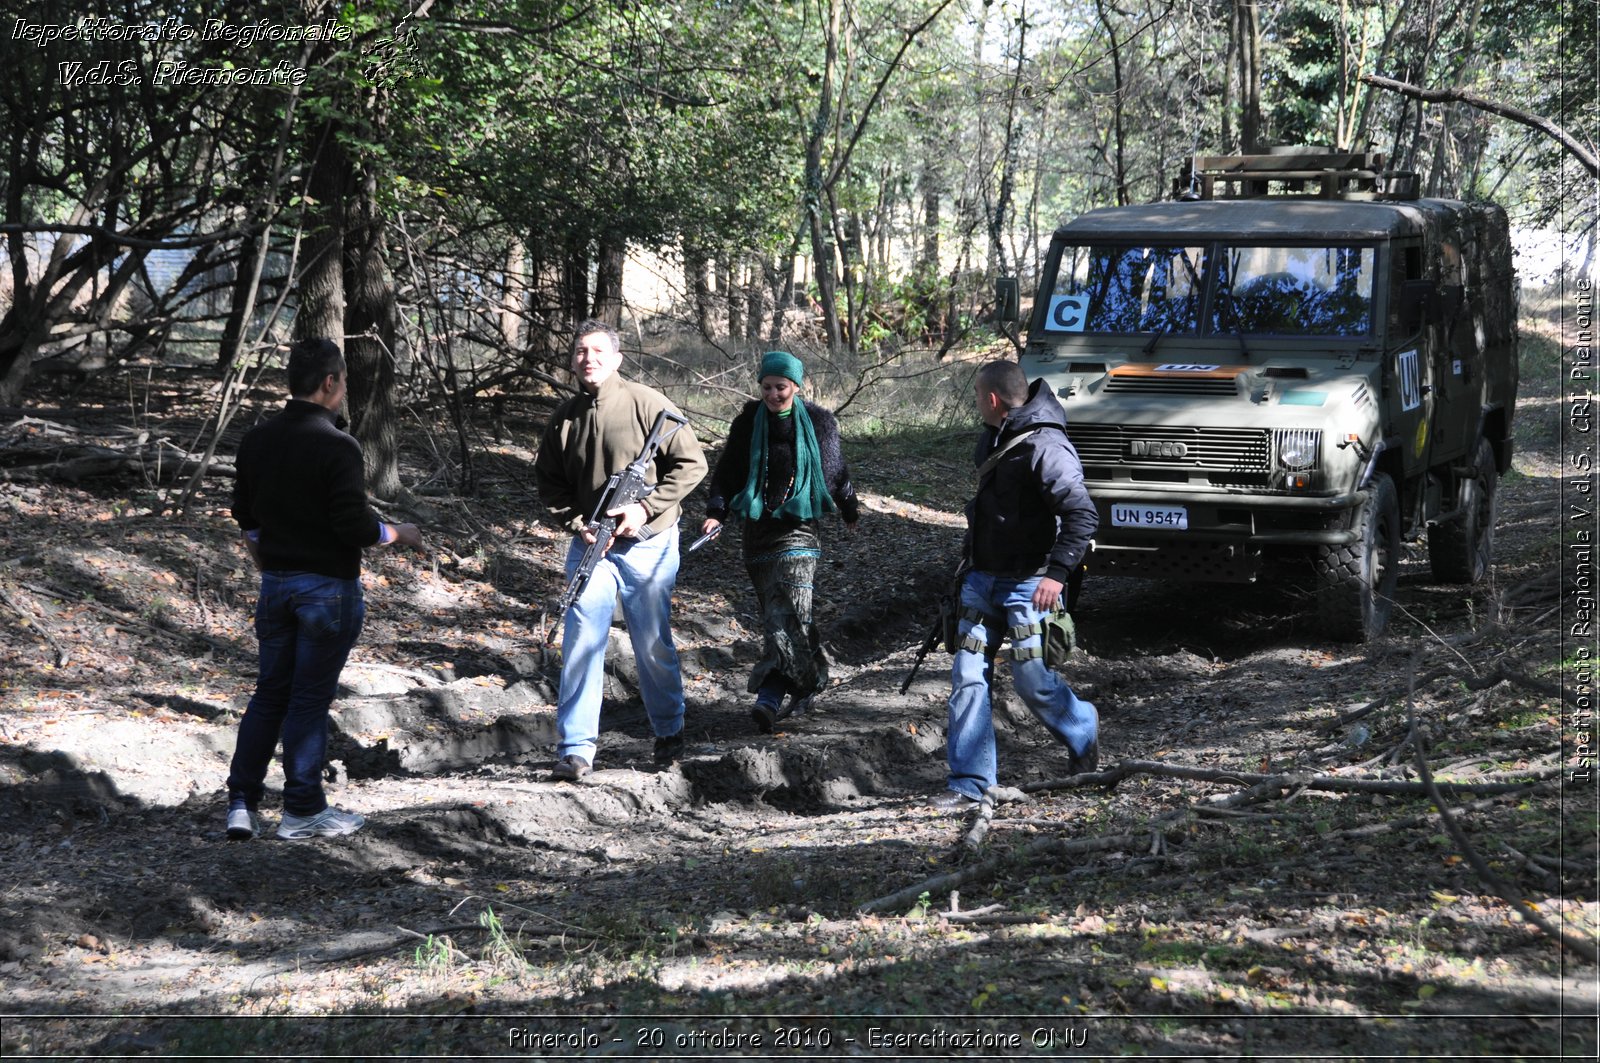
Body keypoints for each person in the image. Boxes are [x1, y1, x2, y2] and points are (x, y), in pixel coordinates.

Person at [226, 338, 424, 840]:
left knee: (270, 694)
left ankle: (241, 804)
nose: (343, 391)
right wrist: (399, 534)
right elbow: (353, 526)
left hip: (276, 586)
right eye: (343, 383)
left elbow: (246, 515)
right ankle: (302, 809)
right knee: (308, 701)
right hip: (327, 592)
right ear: (330, 382)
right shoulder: (337, 445)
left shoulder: (258, 440)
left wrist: (265, 558)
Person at [534, 320, 707, 780]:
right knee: (580, 639)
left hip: (647, 545)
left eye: (596, 351)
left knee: (651, 643)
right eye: (579, 352)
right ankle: (575, 750)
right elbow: (549, 483)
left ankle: (669, 731)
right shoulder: (565, 417)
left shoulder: (647, 403)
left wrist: (644, 509)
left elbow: (692, 465)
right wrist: (577, 524)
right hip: (592, 544)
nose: (587, 359)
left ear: (616, 358)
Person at [931, 359, 1099, 812]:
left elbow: (1083, 516)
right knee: (968, 677)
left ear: (991, 400)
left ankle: (1083, 728)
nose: (975, 406)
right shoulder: (995, 437)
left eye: (976, 399)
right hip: (981, 580)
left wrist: (1056, 575)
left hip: (1030, 584)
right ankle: (969, 783)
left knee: (1032, 682)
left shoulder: (1046, 445)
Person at [702, 351, 860, 732]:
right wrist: (716, 511)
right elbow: (728, 471)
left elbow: (835, 471)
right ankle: (810, 678)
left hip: (800, 530)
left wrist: (850, 509)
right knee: (789, 614)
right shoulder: (747, 422)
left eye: (781, 388)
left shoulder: (820, 422)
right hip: (758, 531)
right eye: (767, 387)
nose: (773, 394)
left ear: (796, 387)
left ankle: (770, 695)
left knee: (783, 610)